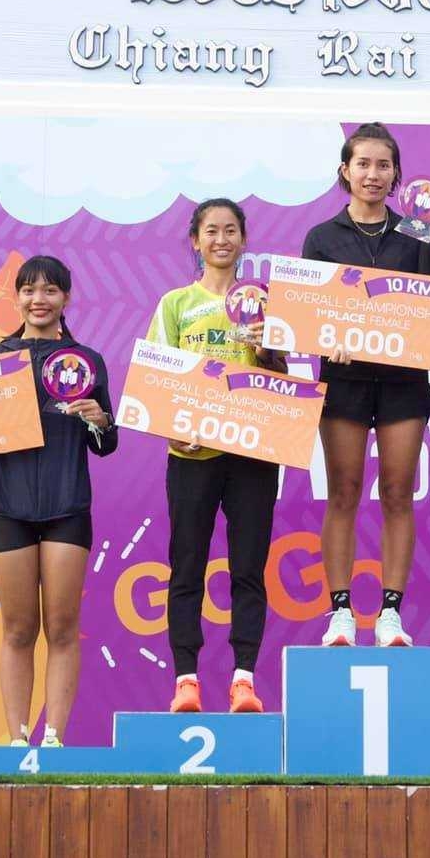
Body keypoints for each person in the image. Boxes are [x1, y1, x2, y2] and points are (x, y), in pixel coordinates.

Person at [0, 255, 118, 748]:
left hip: (67, 509)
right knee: (17, 629)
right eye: (29, 290)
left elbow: (106, 443)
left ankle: (53, 739)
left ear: (66, 297)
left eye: (50, 290)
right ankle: (17, 740)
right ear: (16, 298)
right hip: (7, 510)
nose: (39, 299)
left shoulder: (86, 362)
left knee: (62, 628)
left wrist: (99, 419)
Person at [301, 123, 430, 648]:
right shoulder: (321, 237)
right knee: (342, 493)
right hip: (344, 380)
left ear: (397, 175)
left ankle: (391, 613)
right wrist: (328, 341)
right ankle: (340, 612)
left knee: (397, 493)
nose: (372, 174)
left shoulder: (416, 232)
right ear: (344, 171)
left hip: (403, 383)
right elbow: (311, 313)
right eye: (362, 164)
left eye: (383, 165)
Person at [148, 199, 287, 715]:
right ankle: (186, 680)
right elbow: (157, 378)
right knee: (187, 565)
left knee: (249, 567)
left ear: (244, 239)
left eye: (231, 231)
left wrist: (267, 348)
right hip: (193, 453)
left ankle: (243, 680)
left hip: (253, 452)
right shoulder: (176, 304)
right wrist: (172, 427)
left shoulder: (267, 304)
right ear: (195, 240)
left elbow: (284, 381)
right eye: (211, 231)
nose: (221, 240)